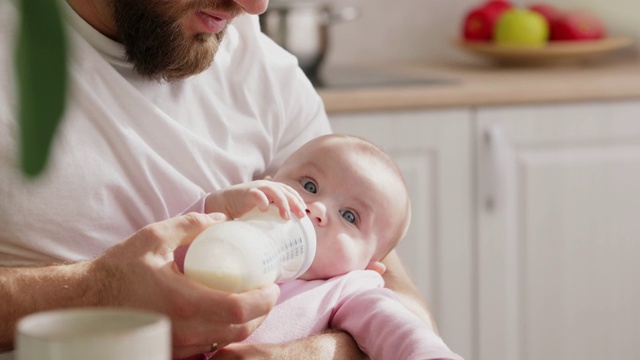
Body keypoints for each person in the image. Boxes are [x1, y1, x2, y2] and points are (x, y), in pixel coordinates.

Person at [0, 0, 437, 359]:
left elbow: (405, 309)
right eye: (308, 188)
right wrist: (97, 292)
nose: (254, 6)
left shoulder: (261, 67)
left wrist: (307, 352)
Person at [185, 134, 463, 360]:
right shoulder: (227, 226)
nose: (315, 208)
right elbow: (173, 245)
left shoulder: (347, 289)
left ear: (368, 267)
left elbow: (395, 329)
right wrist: (215, 205)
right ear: (267, 185)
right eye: (309, 184)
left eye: (350, 216)